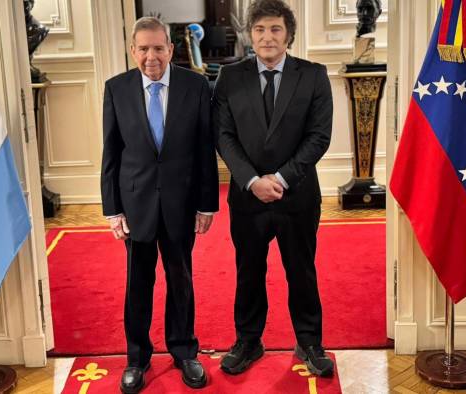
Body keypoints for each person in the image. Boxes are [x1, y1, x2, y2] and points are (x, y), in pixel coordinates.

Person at [213, 0, 334, 378]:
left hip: (296, 195)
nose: (268, 36)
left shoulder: (313, 75)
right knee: (248, 271)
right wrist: (252, 180)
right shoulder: (230, 77)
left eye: (276, 29)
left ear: (289, 35)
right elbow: (224, 135)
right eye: (261, 29)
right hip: (247, 198)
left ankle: (310, 341)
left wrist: (279, 179)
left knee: (301, 270)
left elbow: (318, 137)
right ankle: (248, 341)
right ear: (251, 34)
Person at [101, 16, 219, 393]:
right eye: (143, 48)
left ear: (171, 49)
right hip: (135, 206)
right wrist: (112, 209)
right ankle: (137, 358)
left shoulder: (196, 86)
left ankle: (184, 351)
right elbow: (111, 153)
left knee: (181, 281)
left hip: (181, 204)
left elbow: (205, 150)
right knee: (138, 284)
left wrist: (207, 204)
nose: (151, 56)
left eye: (158, 48)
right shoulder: (116, 89)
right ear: (132, 50)